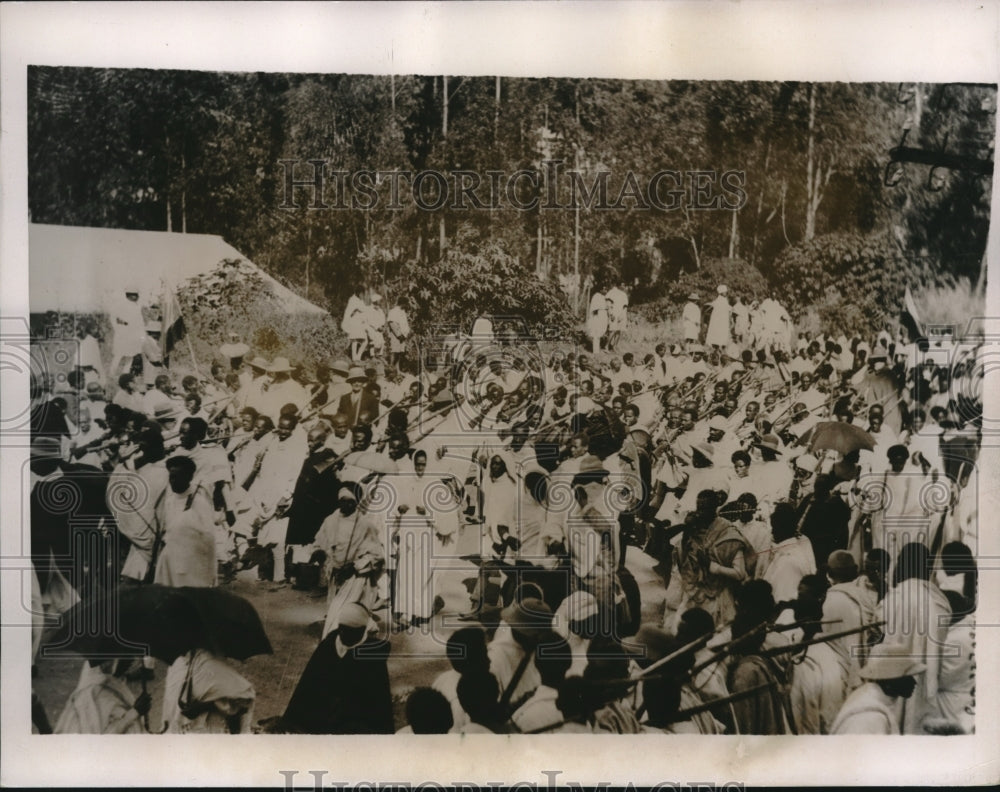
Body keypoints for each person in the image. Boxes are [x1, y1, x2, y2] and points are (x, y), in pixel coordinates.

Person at [278, 603, 393, 734]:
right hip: (323, 713)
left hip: (353, 719)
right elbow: (308, 684)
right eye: (341, 629)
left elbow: (378, 699)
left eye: (350, 631)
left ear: (362, 631)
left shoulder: (371, 654)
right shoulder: (328, 645)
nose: (343, 634)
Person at [830, 645, 925, 735]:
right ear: (889, 681)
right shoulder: (872, 719)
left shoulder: (868, 697)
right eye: (907, 678)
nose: (914, 682)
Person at [154, 455, 218, 588]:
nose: (173, 481)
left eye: (177, 477)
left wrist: (211, 574)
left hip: (192, 567)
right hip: (169, 561)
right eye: (171, 477)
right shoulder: (169, 501)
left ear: (189, 477)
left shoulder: (199, 502)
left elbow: (209, 539)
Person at [587, 289, 609, 355]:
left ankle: (597, 349)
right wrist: (596, 318)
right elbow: (594, 308)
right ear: (600, 289)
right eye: (604, 289)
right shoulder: (596, 296)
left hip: (603, 315)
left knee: (600, 333)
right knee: (596, 333)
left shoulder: (603, 297)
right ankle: (595, 351)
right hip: (598, 316)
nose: (605, 290)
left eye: (606, 289)